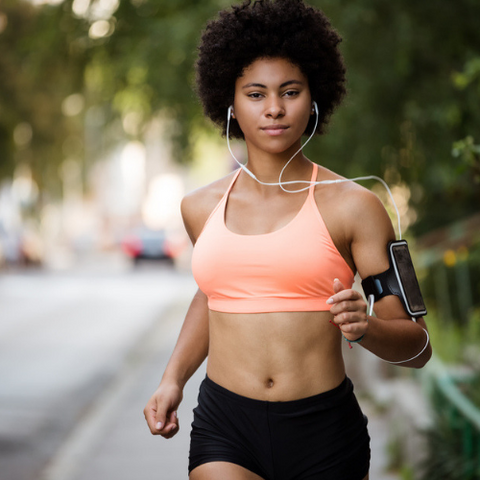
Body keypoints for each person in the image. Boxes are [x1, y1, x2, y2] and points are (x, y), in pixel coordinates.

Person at [144, 1, 432, 479]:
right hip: (225, 426)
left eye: (290, 91)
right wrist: (173, 379)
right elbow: (217, 295)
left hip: (323, 432)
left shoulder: (355, 207)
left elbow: (418, 347)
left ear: (314, 97)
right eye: (255, 94)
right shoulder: (199, 207)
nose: (274, 108)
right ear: (230, 103)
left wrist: (368, 328)